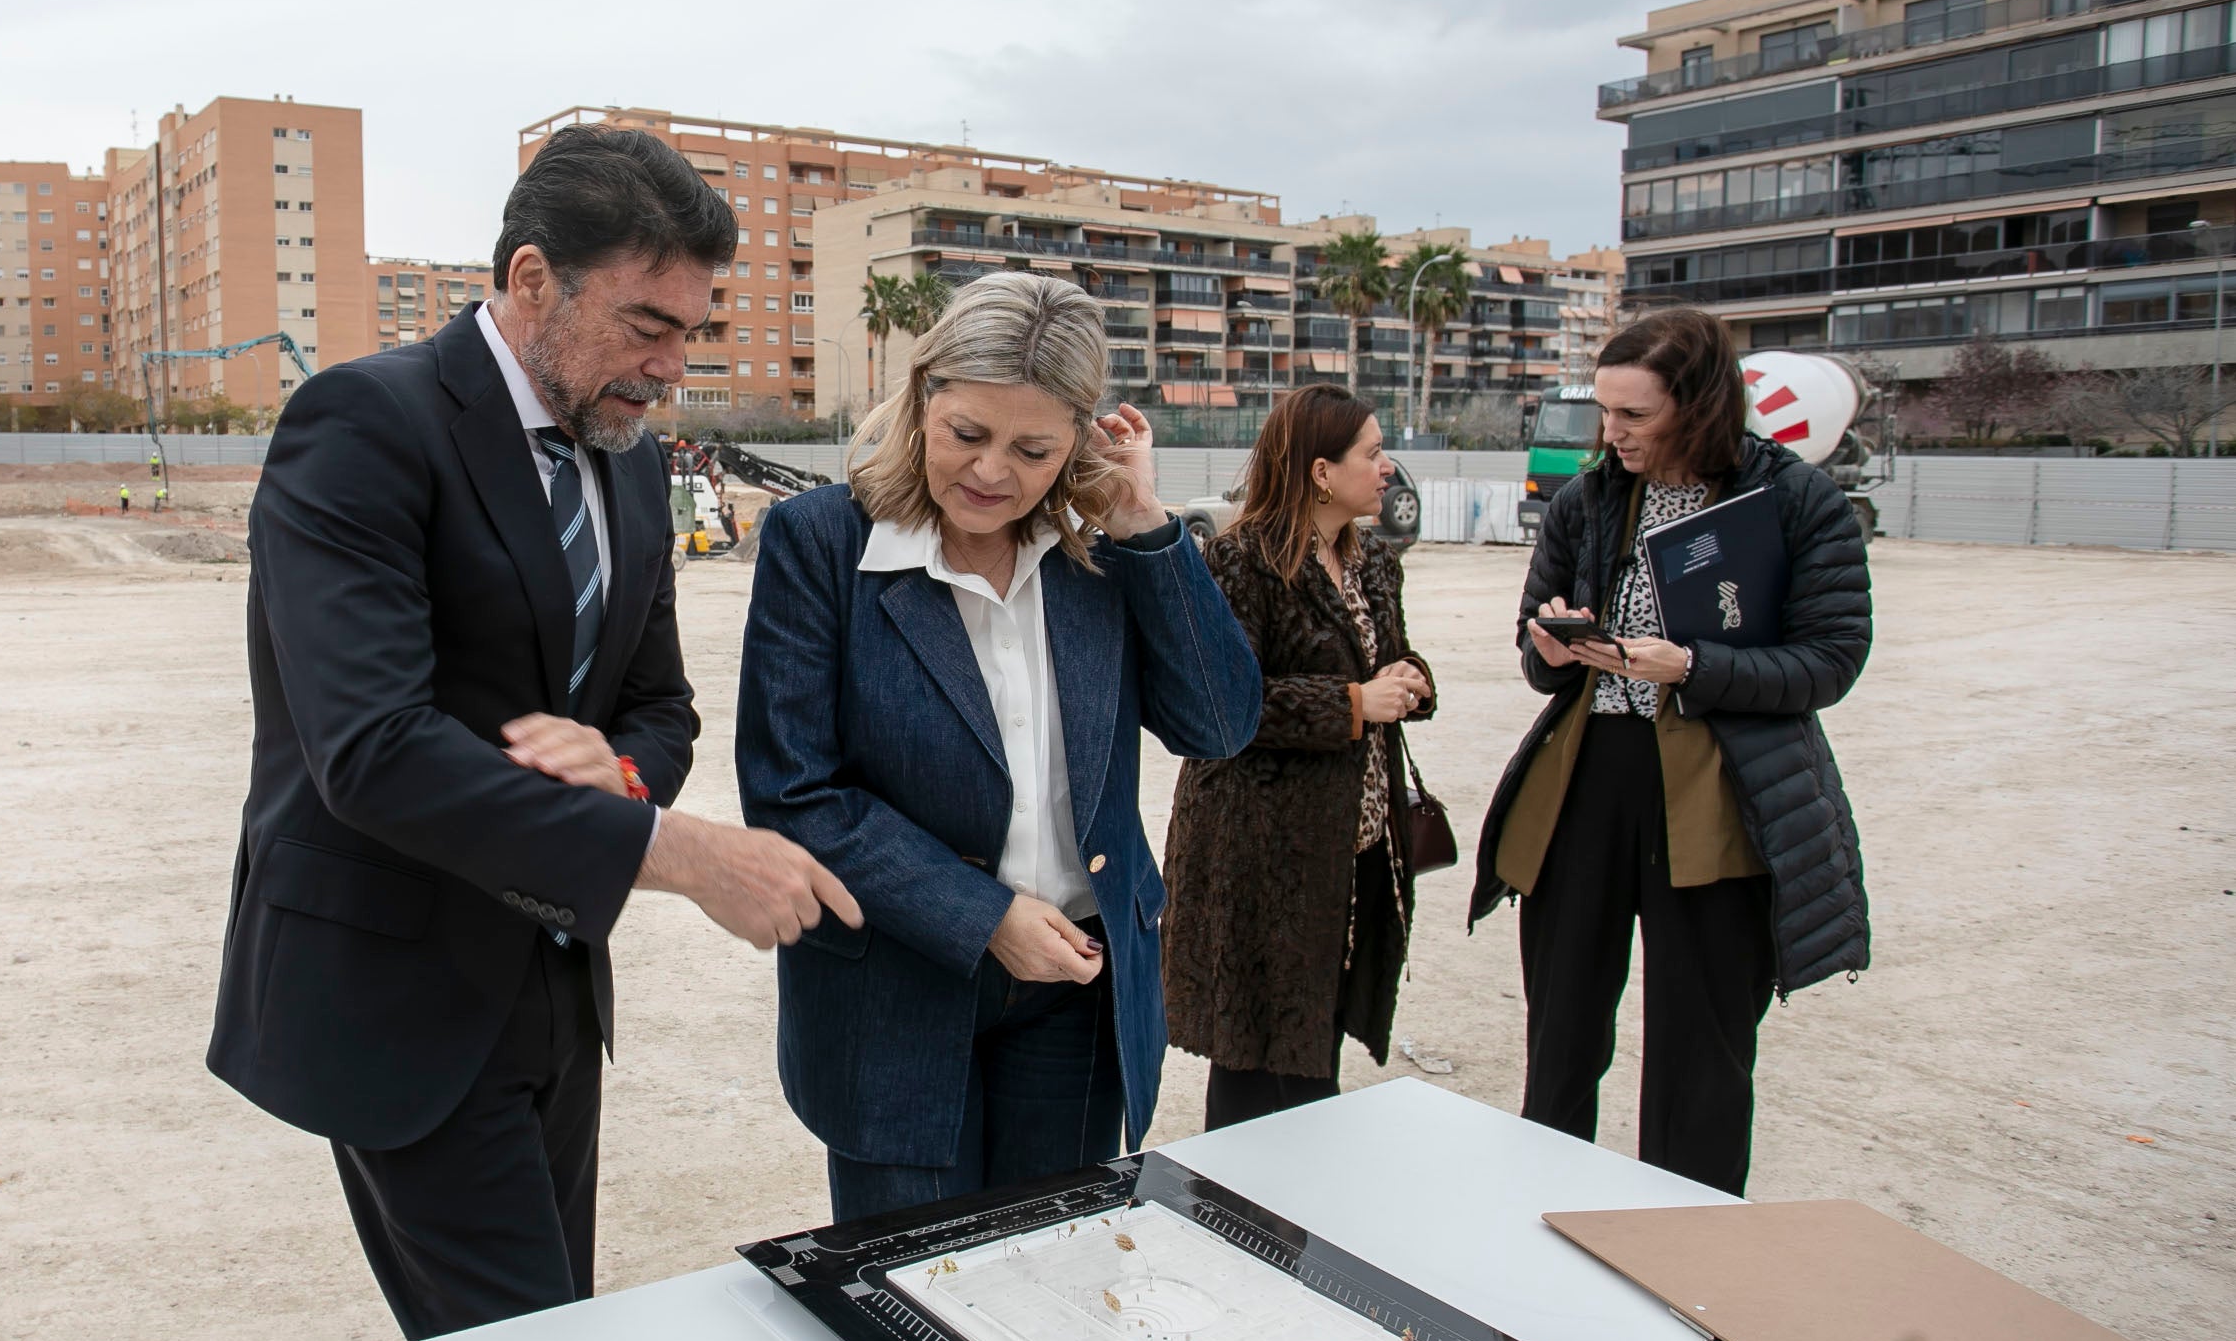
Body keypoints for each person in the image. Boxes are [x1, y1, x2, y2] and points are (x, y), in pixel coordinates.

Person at [213, 124, 858, 1341]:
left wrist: (616, 774)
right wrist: (675, 851)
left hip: (553, 979)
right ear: (528, 281)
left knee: (552, 1339)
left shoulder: (623, 456)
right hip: (398, 991)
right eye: (645, 325)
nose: (672, 367)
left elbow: (658, 705)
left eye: (691, 332)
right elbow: (372, 749)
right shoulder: (363, 425)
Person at [736, 272, 1261, 1222]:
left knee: (1049, 1275)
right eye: (968, 435)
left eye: (1034, 449)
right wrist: (982, 917)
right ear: (924, 394)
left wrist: (1146, 526)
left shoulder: (1104, 555)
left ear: (1081, 441)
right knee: (912, 1290)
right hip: (894, 993)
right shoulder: (818, 543)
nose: (992, 475)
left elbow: (1219, 724)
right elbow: (793, 793)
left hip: (1077, 988)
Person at [1469, 306, 1872, 1196]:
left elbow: (1831, 660)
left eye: (1633, 417)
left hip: (1723, 792)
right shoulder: (1588, 499)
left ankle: (1688, 1252)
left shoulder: (1798, 500)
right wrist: (1548, 648)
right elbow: (1535, 657)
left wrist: (1693, 665)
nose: (1609, 435)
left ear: (1699, 405)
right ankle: (1543, 1218)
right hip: (1588, 778)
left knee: (1704, 1049)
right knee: (1563, 1034)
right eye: (1604, 413)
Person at [1160, 384, 1435, 1129]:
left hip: (1353, 848)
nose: (1386, 470)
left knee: (1318, 1036)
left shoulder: (1372, 561)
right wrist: (1351, 704)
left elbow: (1388, 655)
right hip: (1261, 851)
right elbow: (1224, 708)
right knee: (1257, 1059)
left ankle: (1303, 1217)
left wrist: (1410, 679)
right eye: (1372, 454)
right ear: (1321, 471)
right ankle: (1244, 1222)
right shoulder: (1240, 563)